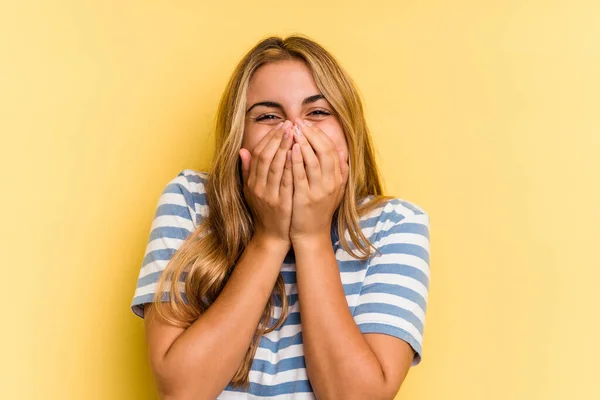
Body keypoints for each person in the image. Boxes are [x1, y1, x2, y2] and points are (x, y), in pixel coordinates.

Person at [130, 35, 431, 400]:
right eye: (268, 116)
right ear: (238, 137)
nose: (294, 132)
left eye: (317, 112)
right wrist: (270, 237)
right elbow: (182, 391)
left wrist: (311, 236)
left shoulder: (395, 225)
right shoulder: (190, 202)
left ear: (348, 132)